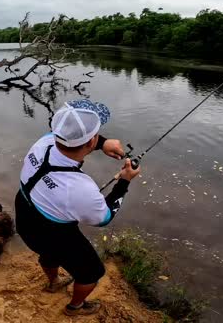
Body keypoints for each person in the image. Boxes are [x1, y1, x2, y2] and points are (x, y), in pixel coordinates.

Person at [15, 99, 141, 316]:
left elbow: (68, 138)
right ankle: (75, 307)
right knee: (91, 272)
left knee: (48, 252)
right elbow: (104, 218)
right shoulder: (80, 188)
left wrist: (103, 143)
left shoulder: (43, 143)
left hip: (25, 215)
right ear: (90, 142)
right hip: (55, 232)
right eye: (96, 137)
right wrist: (124, 181)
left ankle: (53, 282)